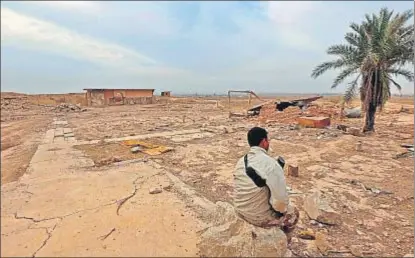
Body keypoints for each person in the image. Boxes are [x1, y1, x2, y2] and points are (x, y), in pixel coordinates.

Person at [233, 127, 299, 230]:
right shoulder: (271, 164)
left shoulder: (241, 161)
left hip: (240, 210)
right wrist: (281, 211)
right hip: (257, 217)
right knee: (293, 213)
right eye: (267, 140)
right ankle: (283, 240)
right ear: (264, 141)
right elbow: (280, 203)